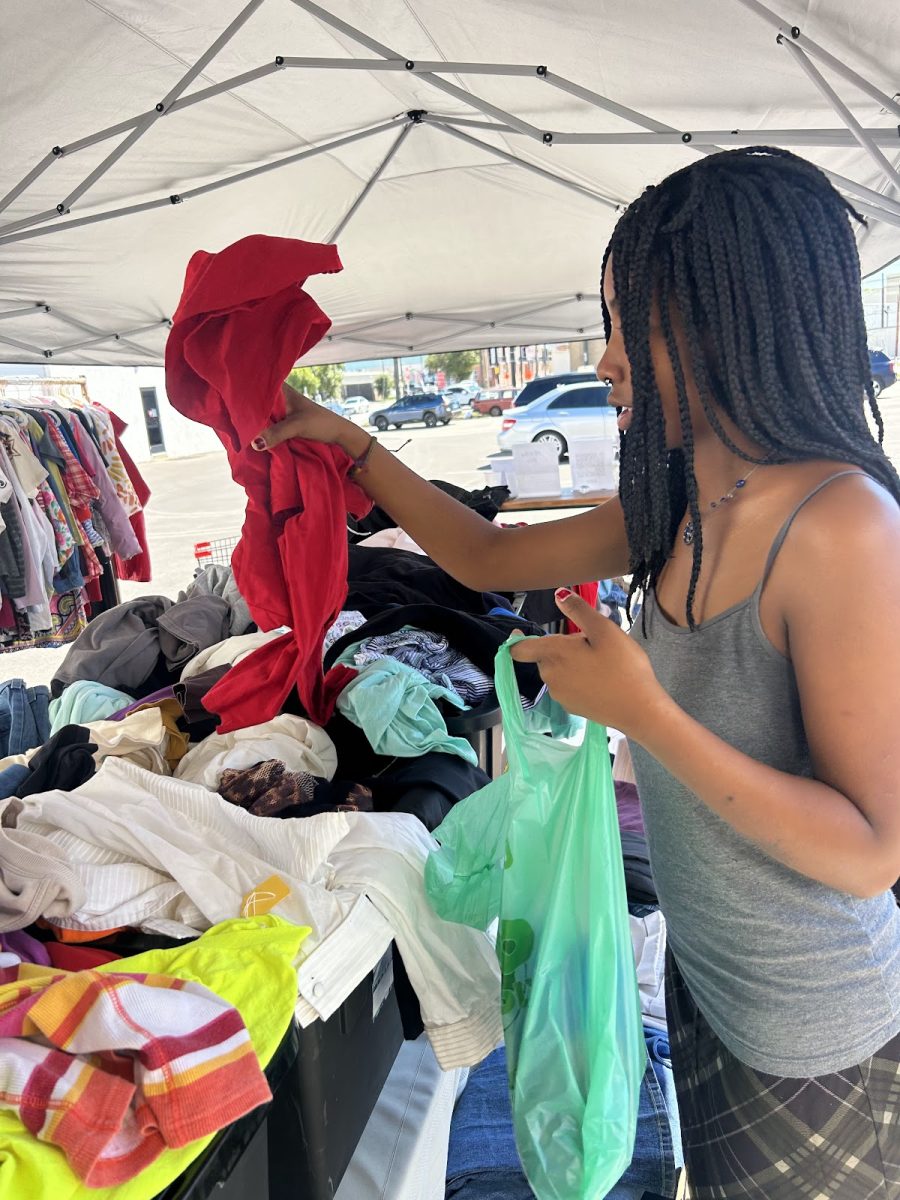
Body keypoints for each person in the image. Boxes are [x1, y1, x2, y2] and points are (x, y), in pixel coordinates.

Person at [254, 146, 900, 1199]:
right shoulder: (692, 501)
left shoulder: (843, 528)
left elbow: (874, 849)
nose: (606, 364)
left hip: (816, 1025)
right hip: (709, 987)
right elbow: (488, 557)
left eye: (628, 326)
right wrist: (353, 445)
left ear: (730, 319)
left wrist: (645, 711)